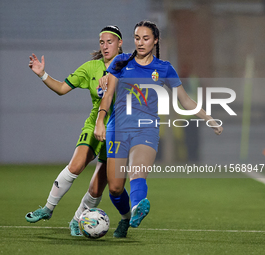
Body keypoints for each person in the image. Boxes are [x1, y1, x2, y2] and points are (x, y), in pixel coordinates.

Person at [94, 21, 223, 237]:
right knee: (115, 188)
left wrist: (208, 118)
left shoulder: (164, 68)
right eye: (137, 38)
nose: (141, 42)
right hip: (118, 129)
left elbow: (185, 100)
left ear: (155, 41)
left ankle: (137, 208)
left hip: (146, 130)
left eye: (146, 38)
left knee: (137, 171)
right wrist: (100, 120)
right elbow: (107, 95)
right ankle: (126, 218)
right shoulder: (120, 62)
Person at [25, 26, 124, 237]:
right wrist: (43, 75)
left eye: (110, 42)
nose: (105, 46)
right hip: (94, 125)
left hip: (119, 131)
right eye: (102, 42)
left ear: (120, 43)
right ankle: (48, 208)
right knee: (76, 165)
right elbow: (62, 89)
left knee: (97, 189)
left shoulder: (129, 67)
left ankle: (77, 219)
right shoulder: (90, 68)